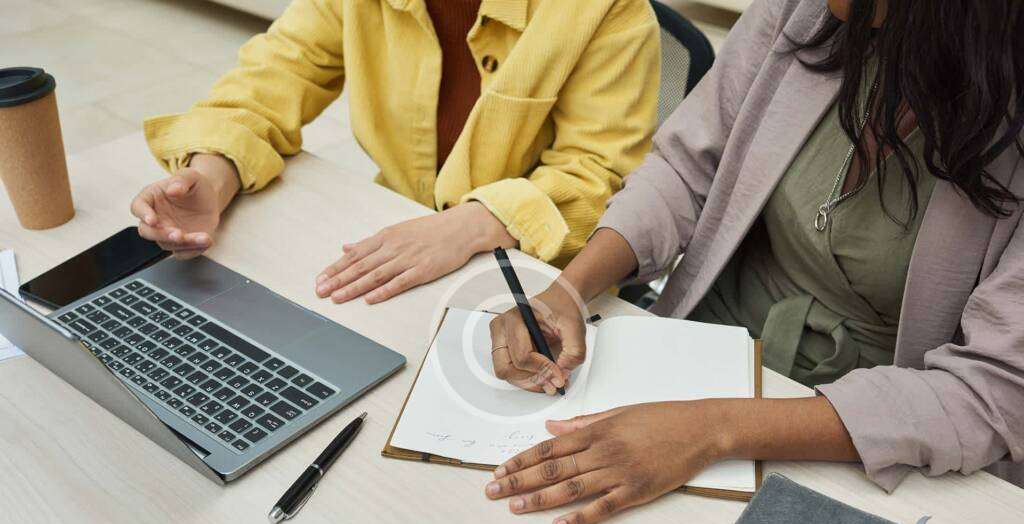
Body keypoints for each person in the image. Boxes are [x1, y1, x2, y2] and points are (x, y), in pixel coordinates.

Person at [485, 0, 1024, 524]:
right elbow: (685, 170)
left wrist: (712, 429)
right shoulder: (805, 11)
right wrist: (569, 290)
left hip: (869, 432)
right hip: (699, 349)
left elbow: (994, 391)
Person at [129, 0, 659, 304]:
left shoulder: (607, 9)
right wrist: (213, 173)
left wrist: (475, 224)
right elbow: (277, 73)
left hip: (540, 280)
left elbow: (602, 175)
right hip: (398, 245)